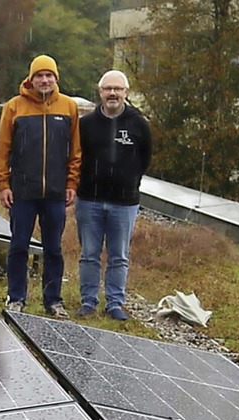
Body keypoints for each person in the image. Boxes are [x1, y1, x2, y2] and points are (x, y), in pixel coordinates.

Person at [0, 54, 80, 318]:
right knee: (19, 246)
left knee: (53, 248)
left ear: (56, 78)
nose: (44, 80)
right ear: (30, 79)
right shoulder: (14, 107)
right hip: (22, 192)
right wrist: (3, 183)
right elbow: (3, 149)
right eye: (39, 75)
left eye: (49, 75)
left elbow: (75, 150)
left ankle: (53, 300)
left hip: (55, 193)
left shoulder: (68, 107)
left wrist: (71, 182)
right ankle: (16, 297)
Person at [76, 69, 152, 320]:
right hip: (89, 200)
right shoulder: (85, 124)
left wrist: (127, 181)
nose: (112, 94)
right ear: (99, 92)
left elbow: (145, 159)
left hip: (124, 203)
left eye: (117, 89)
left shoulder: (138, 123)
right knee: (89, 254)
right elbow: (77, 158)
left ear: (126, 93)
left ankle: (115, 302)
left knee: (119, 256)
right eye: (108, 89)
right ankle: (88, 301)